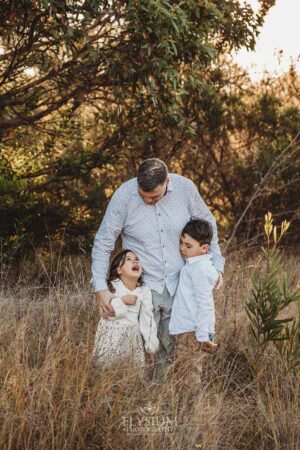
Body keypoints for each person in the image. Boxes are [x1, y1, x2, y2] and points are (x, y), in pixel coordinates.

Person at [91, 158, 224, 374]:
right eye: (143, 196)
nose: (148, 201)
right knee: (139, 353)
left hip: (180, 284)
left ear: (167, 182)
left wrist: (217, 264)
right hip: (143, 286)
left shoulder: (185, 188)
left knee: (178, 353)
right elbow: (103, 242)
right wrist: (100, 288)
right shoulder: (123, 197)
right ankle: (140, 402)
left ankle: (169, 403)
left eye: (154, 197)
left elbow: (208, 225)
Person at [93, 249, 160, 370]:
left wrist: (151, 345)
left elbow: (147, 318)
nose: (135, 261)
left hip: (132, 337)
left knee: (130, 371)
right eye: (128, 259)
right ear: (119, 270)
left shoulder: (144, 290)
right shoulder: (112, 286)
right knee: (107, 369)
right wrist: (122, 301)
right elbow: (106, 313)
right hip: (111, 334)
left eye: (137, 260)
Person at [169, 219, 219, 357]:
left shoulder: (200, 269)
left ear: (204, 248)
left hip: (193, 332)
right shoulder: (193, 264)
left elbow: (205, 303)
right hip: (188, 329)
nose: (182, 248)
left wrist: (203, 336)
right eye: (181, 243)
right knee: (184, 373)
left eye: (188, 246)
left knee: (189, 375)